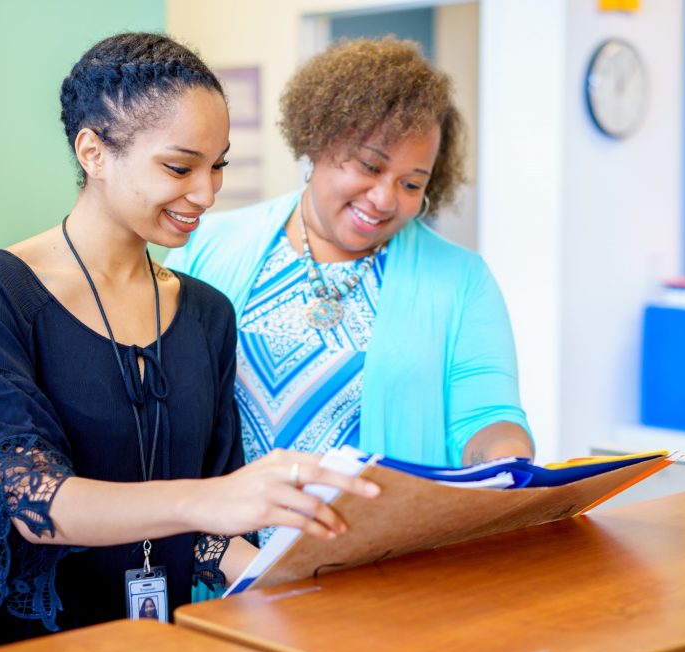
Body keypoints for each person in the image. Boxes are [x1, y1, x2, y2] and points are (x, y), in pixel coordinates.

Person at [0, 32, 378, 652]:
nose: (207, 193)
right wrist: (210, 500)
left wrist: (293, 584)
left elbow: (212, 536)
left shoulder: (208, 313)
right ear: (94, 152)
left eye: (219, 165)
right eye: (180, 167)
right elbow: (35, 500)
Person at [166, 37, 533, 521]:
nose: (384, 199)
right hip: (225, 555)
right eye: (369, 165)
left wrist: (508, 460)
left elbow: (485, 416)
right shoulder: (210, 243)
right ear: (318, 141)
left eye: (411, 184)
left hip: (375, 562)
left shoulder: (461, 280)